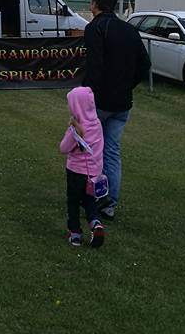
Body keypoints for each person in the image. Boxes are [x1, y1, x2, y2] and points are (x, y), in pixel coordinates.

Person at [82, 0, 151, 220]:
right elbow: (145, 64)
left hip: (99, 102)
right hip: (122, 103)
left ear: (95, 4)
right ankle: (109, 202)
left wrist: (86, 96)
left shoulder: (94, 28)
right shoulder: (130, 29)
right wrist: (127, 85)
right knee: (112, 151)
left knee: (90, 150)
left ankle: (93, 196)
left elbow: (94, 66)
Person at [59, 86, 106, 248]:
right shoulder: (97, 124)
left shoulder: (76, 129)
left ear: (75, 106)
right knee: (90, 201)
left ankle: (75, 234)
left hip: (75, 172)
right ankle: (95, 224)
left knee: (73, 202)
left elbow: (63, 148)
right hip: (94, 173)